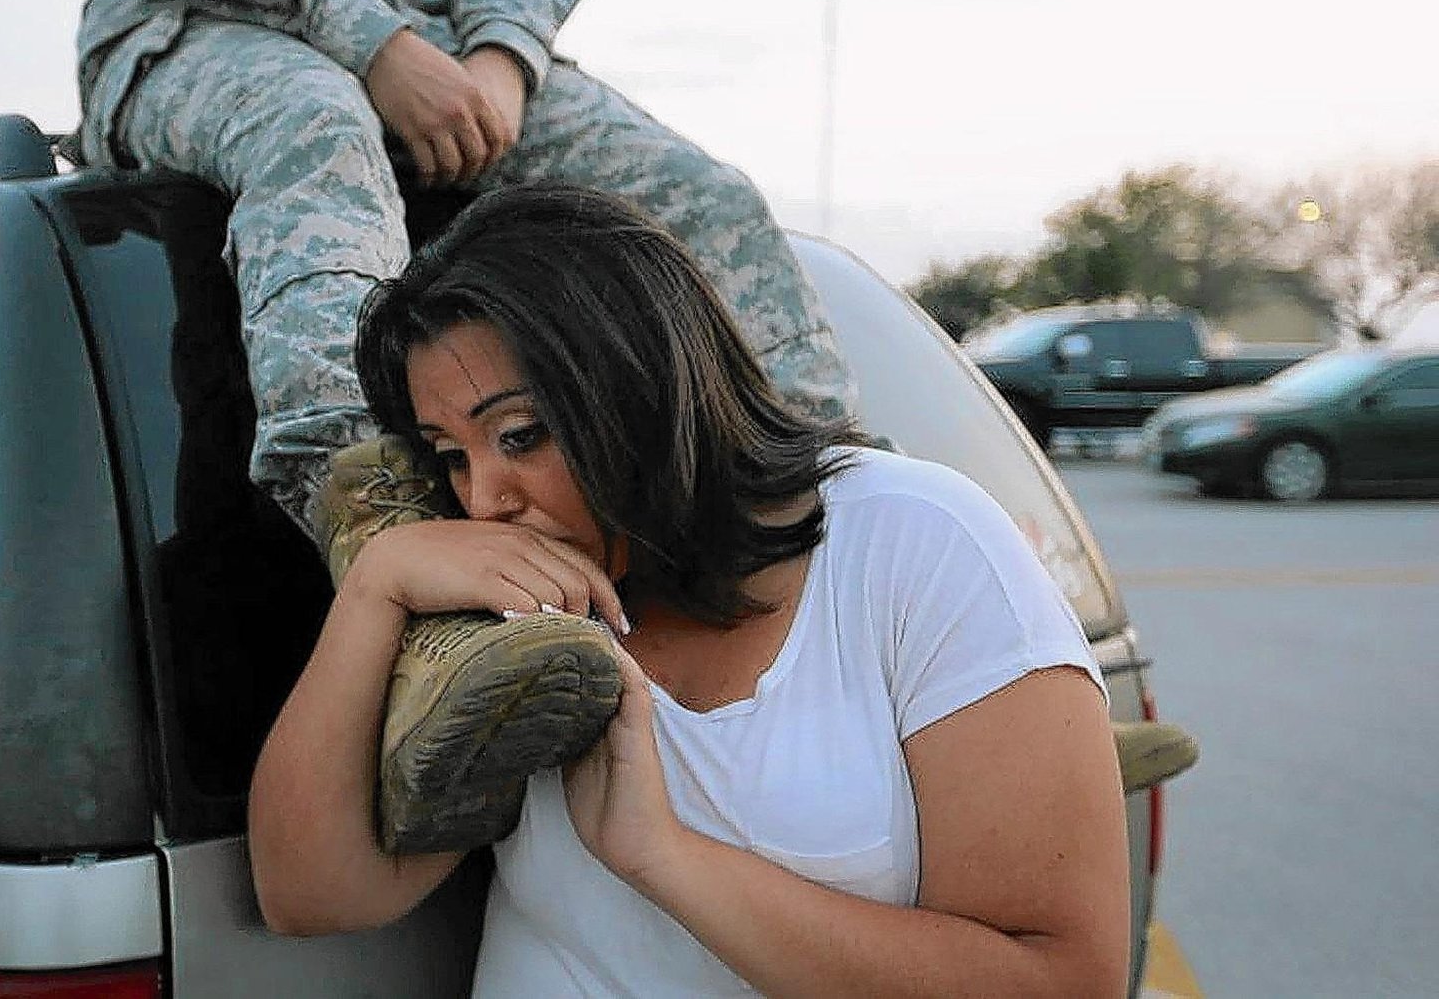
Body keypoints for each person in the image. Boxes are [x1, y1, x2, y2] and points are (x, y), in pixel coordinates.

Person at [44, 0, 857, 851]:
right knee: (312, 134)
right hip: (192, 29)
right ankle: (412, 607)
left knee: (701, 195)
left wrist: (500, 61)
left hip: (432, 40)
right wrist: (366, 41)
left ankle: (871, 623)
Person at [250, 185, 1134, 997]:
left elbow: (1060, 979)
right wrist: (376, 584)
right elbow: (312, 893)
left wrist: (663, 856)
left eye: (519, 435)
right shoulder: (507, 618)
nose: (483, 499)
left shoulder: (916, 545)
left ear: (645, 388)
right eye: (451, 455)